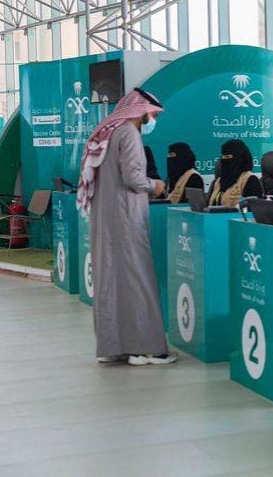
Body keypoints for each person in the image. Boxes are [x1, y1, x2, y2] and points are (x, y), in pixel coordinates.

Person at [76, 88, 176, 366]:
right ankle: (145, 349)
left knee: (111, 281)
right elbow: (133, 178)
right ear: (141, 110)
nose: (153, 119)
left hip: (105, 218)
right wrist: (155, 186)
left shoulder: (108, 131)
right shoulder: (129, 133)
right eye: (153, 114)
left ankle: (114, 346)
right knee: (138, 278)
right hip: (126, 217)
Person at [207, 139, 263, 207]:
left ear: (239, 159)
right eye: (223, 157)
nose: (223, 160)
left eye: (227, 157)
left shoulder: (249, 180)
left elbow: (254, 208)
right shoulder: (218, 181)